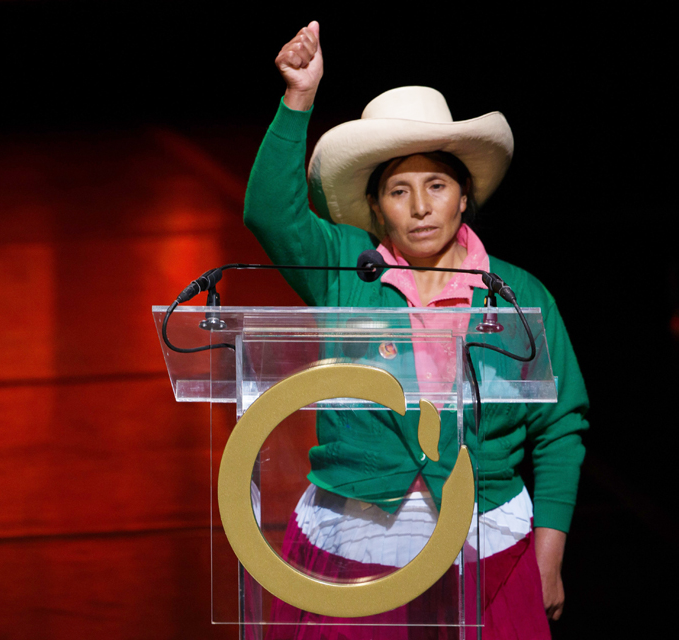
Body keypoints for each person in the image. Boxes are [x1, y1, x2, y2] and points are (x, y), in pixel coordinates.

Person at [243, 21, 588, 639]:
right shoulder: (347, 274)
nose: (421, 206)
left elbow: (561, 426)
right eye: (399, 191)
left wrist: (550, 554)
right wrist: (298, 99)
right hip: (358, 551)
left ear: (464, 197)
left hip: (491, 550)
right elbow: (269, 211)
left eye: (437, 185)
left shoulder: (520, 296)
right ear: (376, 209)